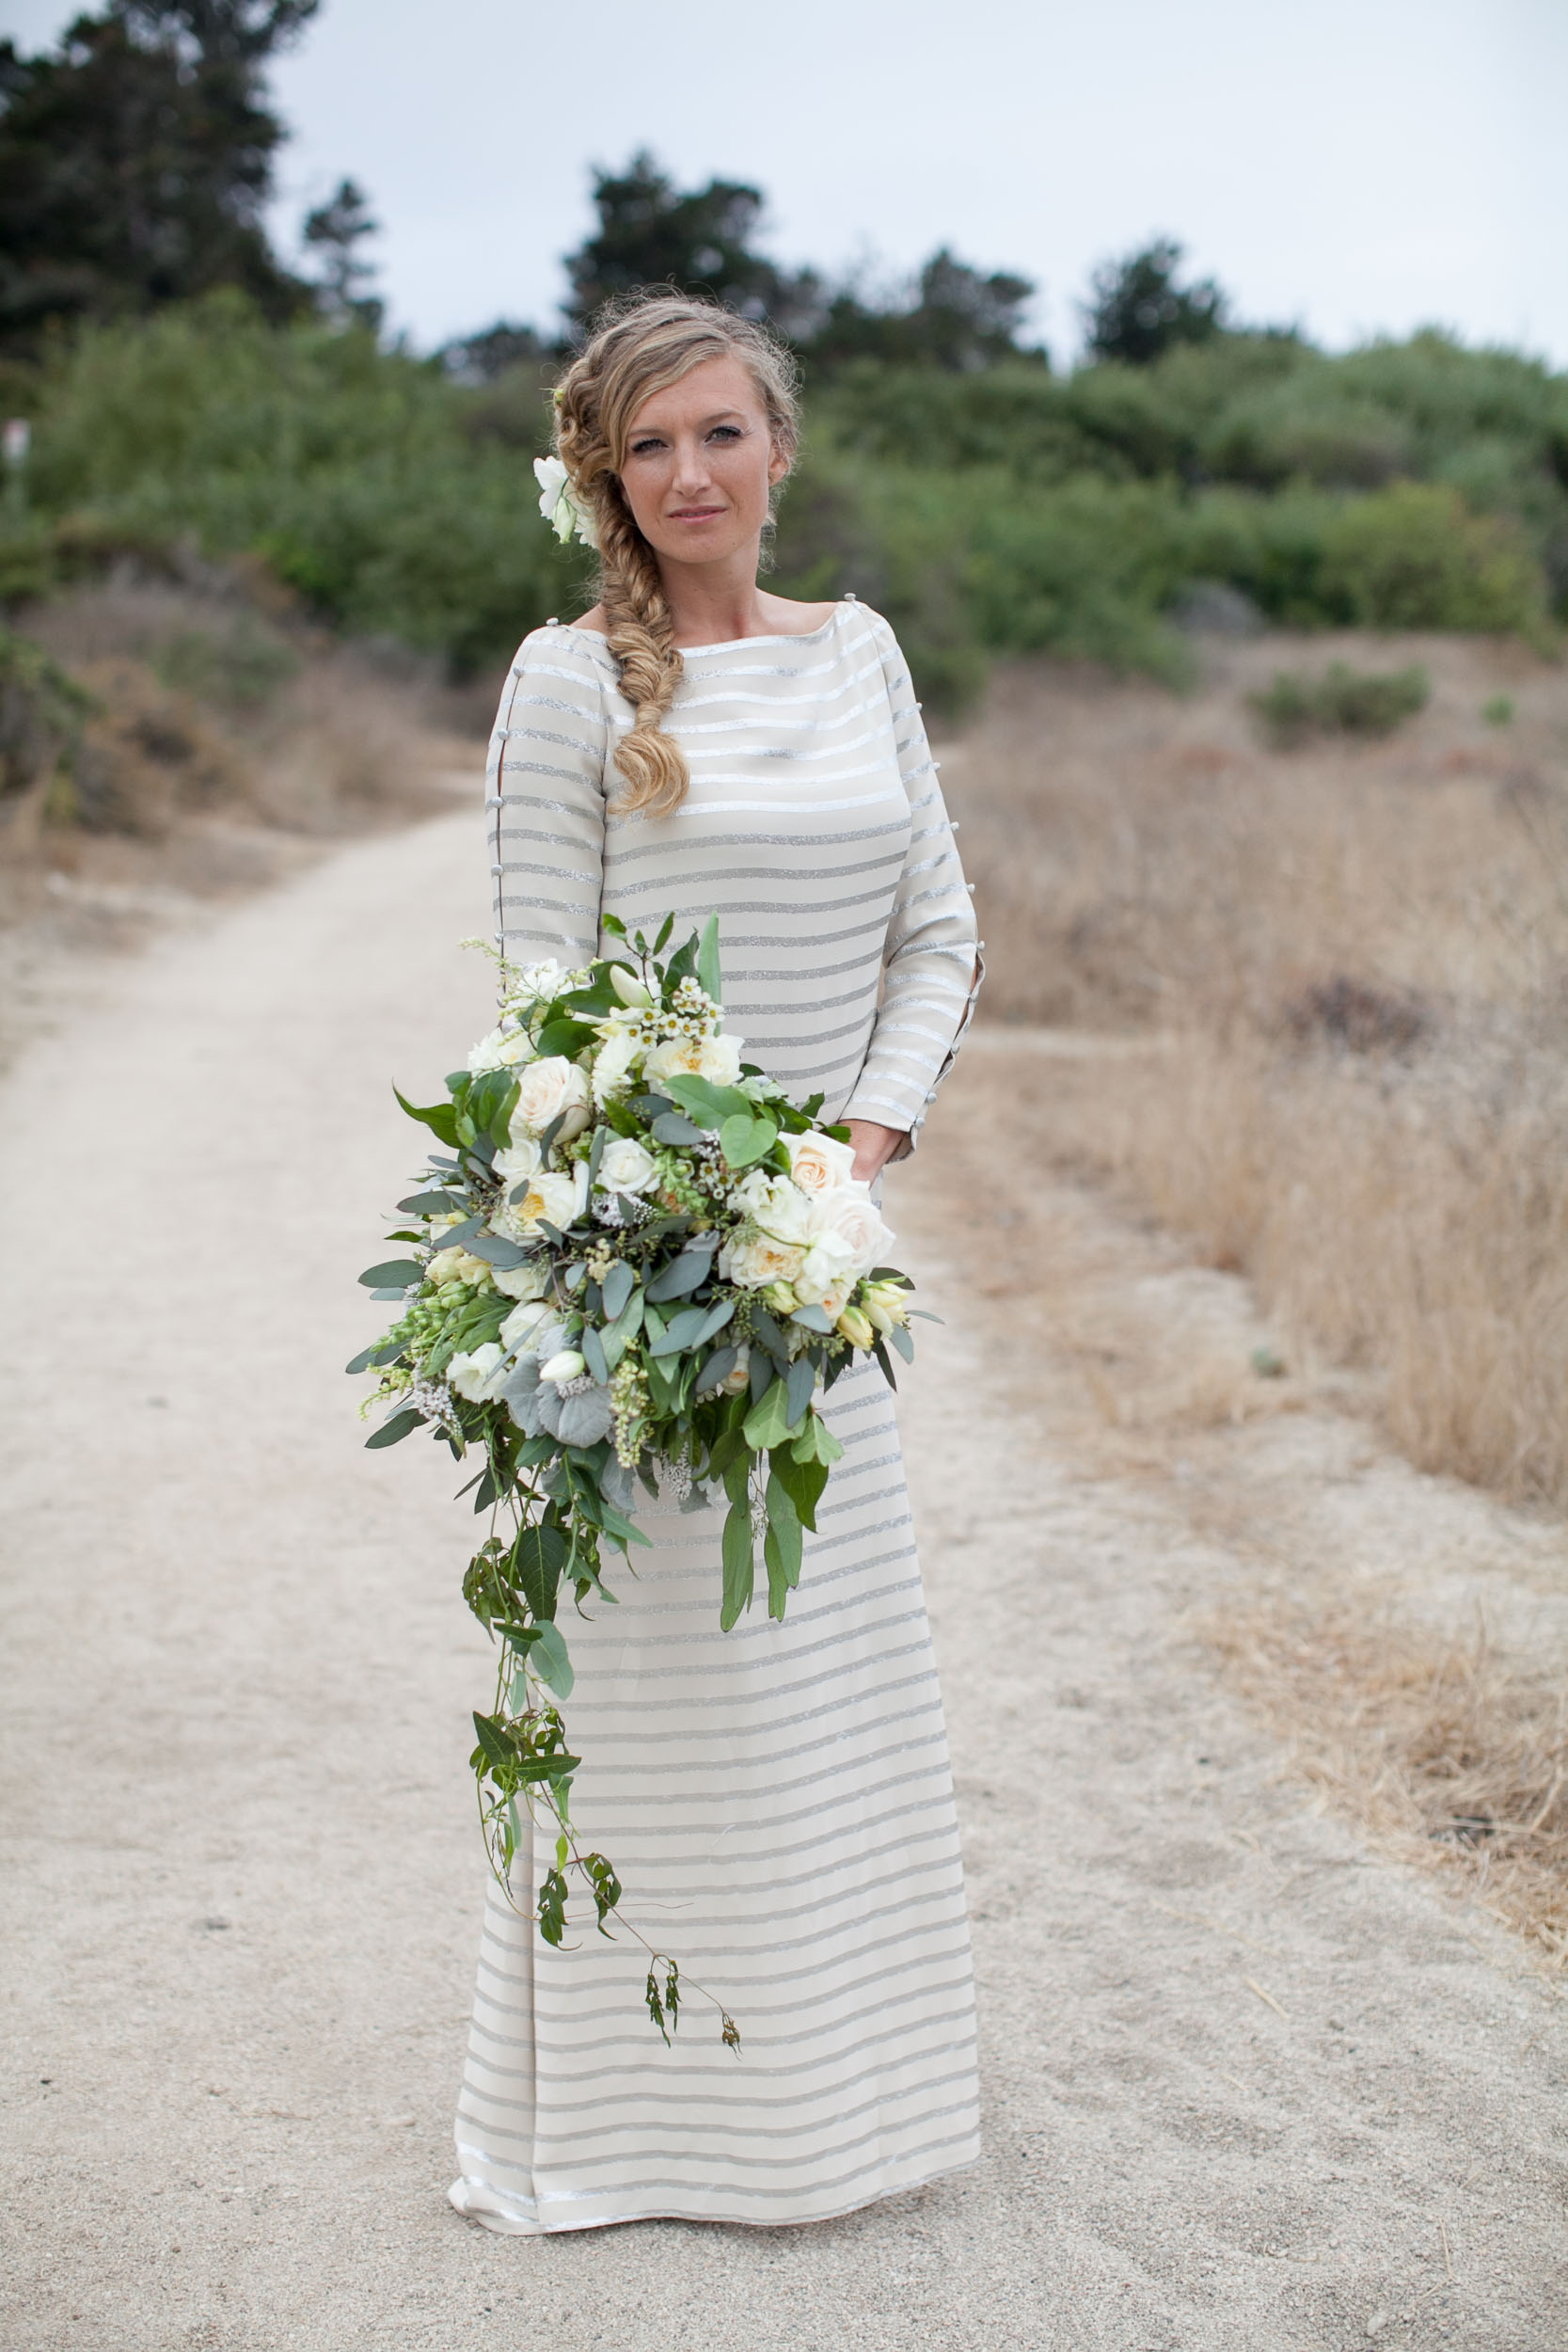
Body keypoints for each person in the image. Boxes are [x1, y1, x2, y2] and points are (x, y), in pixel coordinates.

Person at [449, 292, 983, 2234]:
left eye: (720, 434)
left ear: (780, 447)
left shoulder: (865, 659)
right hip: (639, 1263)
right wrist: (653, 1194)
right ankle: (620, 2133)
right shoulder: (570, 681)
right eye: (647, 445)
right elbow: (537, 995)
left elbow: (939, 931)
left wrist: (852, 1157)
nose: (688, 474)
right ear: (605, 474)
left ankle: (835, 2119)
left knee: (823, 1694)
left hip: (823, 1255)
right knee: (661, 1700)